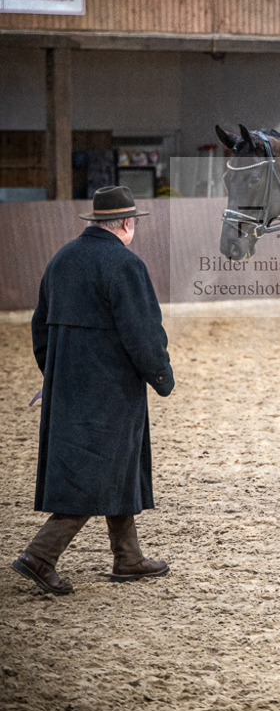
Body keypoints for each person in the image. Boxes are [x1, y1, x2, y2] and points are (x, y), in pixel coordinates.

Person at [12, 186, 174, 596]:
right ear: (126, 224)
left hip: (67, 386)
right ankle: (40, 555)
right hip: (112, 390)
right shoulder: (125, 264)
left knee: (116, 466)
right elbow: (143, 334)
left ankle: (128, 557)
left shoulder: (62, 258)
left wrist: (55, 373)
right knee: (95, 473)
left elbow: (39, 327)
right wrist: (162, 376)